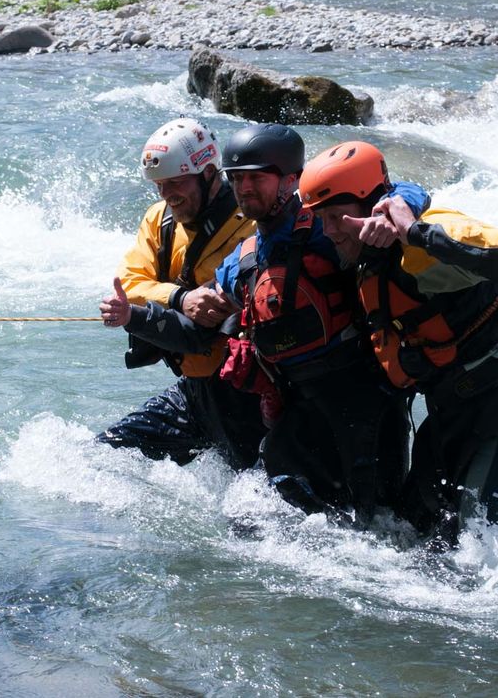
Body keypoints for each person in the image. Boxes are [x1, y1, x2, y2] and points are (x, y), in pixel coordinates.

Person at [106, 123, 431, 526]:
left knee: (384, 525)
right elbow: (198, 332)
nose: (245, 188)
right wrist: (134, 317)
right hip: (300, 409)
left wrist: (398, 209)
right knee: (252, 518)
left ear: (290, 180)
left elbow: (393, 189)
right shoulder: (242, 260)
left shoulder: (326, 226)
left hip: (368, 404)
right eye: (238, 179)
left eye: (257, 178)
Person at [298, 140, 498, 544]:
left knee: (469, 549)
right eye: (321, 219)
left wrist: (413, 231)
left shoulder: (424, 245)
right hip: (450, 417)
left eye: (336, 217)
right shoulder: (365, 258)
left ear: (371, 204)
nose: (329, 231)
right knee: (407, 535)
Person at [96, 118, 265, 470]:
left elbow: (208, 321)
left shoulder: (249, 223)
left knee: (250, 508)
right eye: (159, 185)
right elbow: (128, 285)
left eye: (175, 182)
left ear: (208, 173)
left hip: (245, 395)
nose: (166, 194)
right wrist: (179, 299)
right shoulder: (159, 219)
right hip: (194, 393)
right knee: (99, 456)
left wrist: (150, 302)